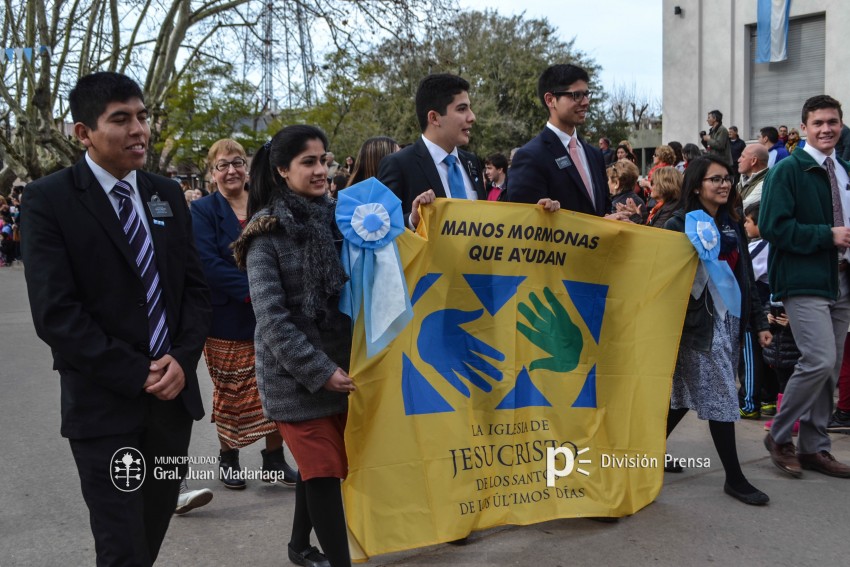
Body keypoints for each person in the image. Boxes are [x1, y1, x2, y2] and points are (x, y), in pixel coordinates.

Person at [20, 71, 211, 564]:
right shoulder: (49, 200)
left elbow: (194, 291)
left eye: (143, 117)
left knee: (147, 538)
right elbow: (56, 313)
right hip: (104, 407)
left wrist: (181, 359)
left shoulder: (165, 194)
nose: (139, 130)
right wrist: (135, 371)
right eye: (121, 119)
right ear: (82, 132)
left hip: (171, 404)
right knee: (122, 545)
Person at [233, 125, 354, 567]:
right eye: (309, 162)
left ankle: (299, 548)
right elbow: (272, 318)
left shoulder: (343, 220)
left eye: (325, 160)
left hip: (343, 368)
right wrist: (319, 370)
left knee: (315, 467)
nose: (321, 170)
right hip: (295, 378)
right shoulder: (263, 234)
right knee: (323, 472)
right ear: (283, 170)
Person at [664, 155, 771, 505]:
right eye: (715, 179)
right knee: (723, 396)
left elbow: (746, 281)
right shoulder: (677, 224)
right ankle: (735, 479)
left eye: (727, 178)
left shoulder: (731, 223)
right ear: (696, 185)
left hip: (729, 322)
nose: (724, 184)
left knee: (685, 396)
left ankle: (640, 454)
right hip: (697, 326)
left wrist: (759, 322)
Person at [191, 138, 297, 491]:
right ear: (212, 173)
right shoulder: (203, 211)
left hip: (274, 317)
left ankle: (274, 459)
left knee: (277, 385)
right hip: (226, 319)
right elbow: (207, 264)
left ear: (248, 167)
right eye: (222, 165)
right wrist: (257, 292)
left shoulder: (265, 204)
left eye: (237, 162)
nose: (231, 170)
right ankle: (229, 457)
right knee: (232, 391)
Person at [760, 94, 850, 479]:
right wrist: (826, 236)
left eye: (832, 122)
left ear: (841, 125)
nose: (826, 129)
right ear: (804, 129)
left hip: (842, 279)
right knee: (817, 359)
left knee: (830, 368)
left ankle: (815, 448)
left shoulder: (843, 169)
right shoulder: (788, 171)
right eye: (818, 123)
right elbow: (772, 227)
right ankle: (780, 436)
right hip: (805, 279)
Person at [508, 64, 620, 218]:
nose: (586, 102)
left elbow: (602, 212)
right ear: (550, 100)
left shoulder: (594, 155)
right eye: (577, 95)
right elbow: (524, 223)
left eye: (587, 94)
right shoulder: (531, 157)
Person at [377, 74, 486, 218]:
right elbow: (381, 226)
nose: (472, 117)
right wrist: (413, 220)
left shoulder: (471, 162)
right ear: (434, 118)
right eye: (461, 109)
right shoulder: (399, 164)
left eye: (469, 108)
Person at [738, 203, 777, 420]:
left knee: (750, 359)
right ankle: (768, 401)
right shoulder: (776, 245)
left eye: (748, 221)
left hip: (755, 313)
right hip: (770, 310)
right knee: (769, 361)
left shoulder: (760, 247)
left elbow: (744, 272)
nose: (744, 224)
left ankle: (749, 403)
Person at [737, 143, 770, 209]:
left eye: (743, 157)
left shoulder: (765, 184)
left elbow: (741, 208)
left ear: (754, 161)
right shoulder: (744, 178)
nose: (738, 160)